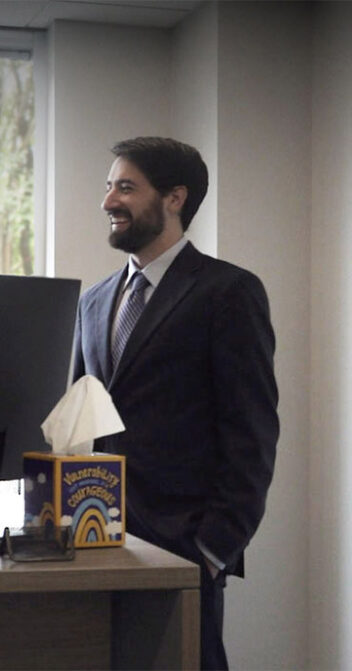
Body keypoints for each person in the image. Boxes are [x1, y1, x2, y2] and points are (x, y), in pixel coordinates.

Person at [73, 137, 278, 670]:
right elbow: (78, 420)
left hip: (184, 550)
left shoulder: (228, 292)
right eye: (109, 186)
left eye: (126, 187)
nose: (108, 201)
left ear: (174, 198)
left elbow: (252, 433)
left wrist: (212, 549)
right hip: (96, 544)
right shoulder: (93, 300)